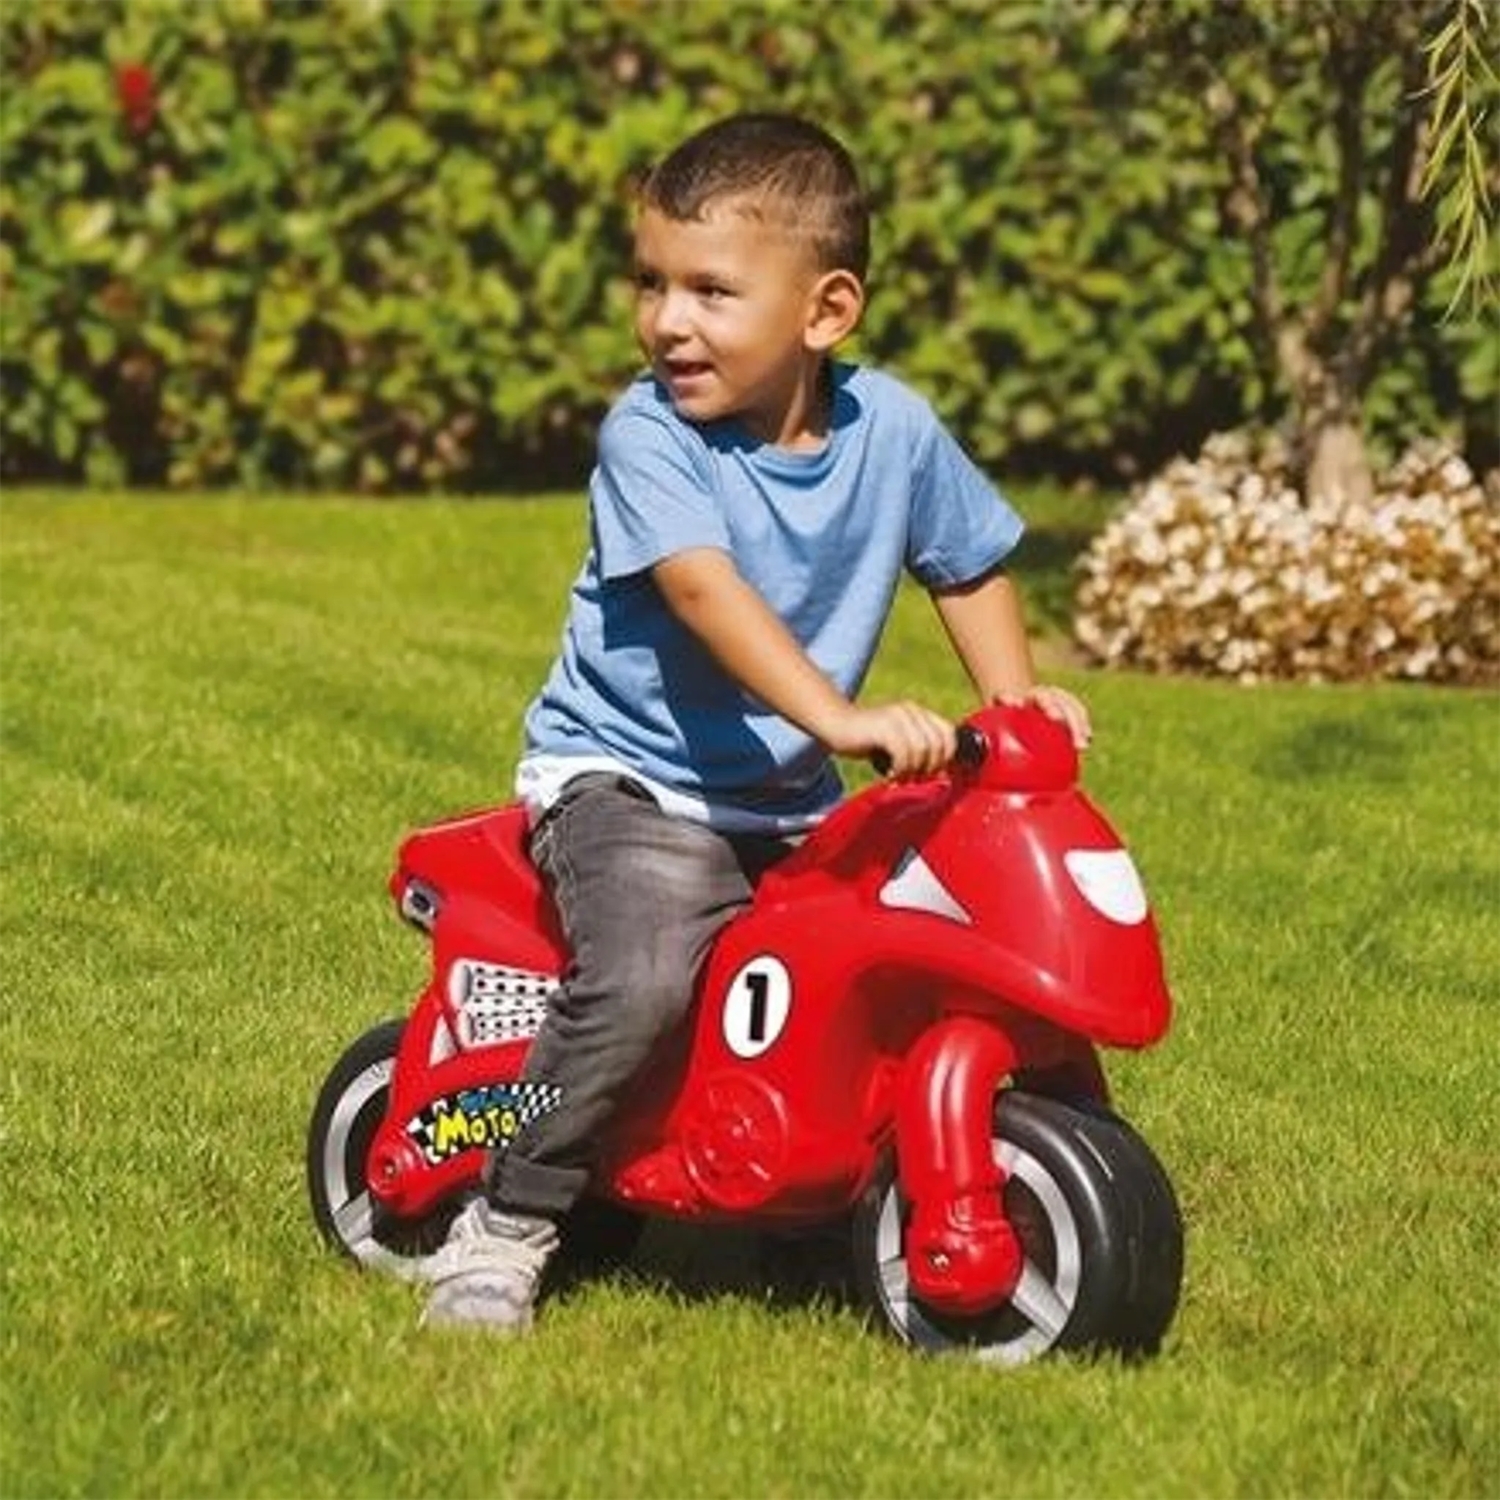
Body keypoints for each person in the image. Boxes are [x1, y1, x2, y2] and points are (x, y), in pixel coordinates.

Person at [420, 111, 1090, 1333]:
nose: (668, 322)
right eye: (651, 283)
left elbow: (969, 563)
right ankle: (508, 1218)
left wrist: (1012, 706)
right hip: (633, 782)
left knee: (883, 969)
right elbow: (703, 591)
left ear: (826, 311)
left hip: (784, 802)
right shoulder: (651, 436)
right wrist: (836, 714)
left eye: (711, 291)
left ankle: (811, 1198)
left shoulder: (894, 431)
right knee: (640, 980)